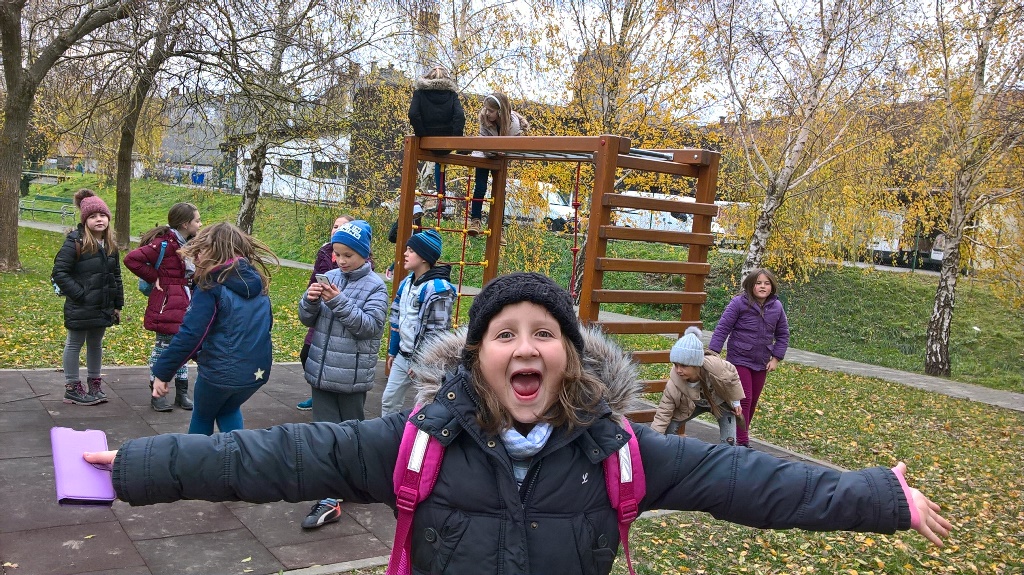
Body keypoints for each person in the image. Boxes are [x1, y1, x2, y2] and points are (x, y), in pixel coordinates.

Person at [86, 272, 951, 575]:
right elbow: (274, 456)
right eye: (506, 333)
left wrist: (878, 496)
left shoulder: (620, 456)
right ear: (478, 357)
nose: (526, 346)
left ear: (569, 358)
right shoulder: (414, 446)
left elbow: (750, 481)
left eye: (546, 333)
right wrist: (133, 466)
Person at [297, 219, 388, 529]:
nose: (340, 261)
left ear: (364, 254)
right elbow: (307, 320)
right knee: (324, 434)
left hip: (351, 378)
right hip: (322, 373)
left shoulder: (376, 286)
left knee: (351, 436)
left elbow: (368, 327)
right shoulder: (331, 276)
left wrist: (337, 300)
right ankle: (329, 493)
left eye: (348, 255)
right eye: (337, 254)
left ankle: (355, 481)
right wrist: (309, 301)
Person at [149, 222, 276, 435]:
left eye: (200, 251)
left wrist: (163, 372)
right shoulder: (258, 283)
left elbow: (191, 334)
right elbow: (265, 325)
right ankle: (239, 453)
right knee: (228, 410)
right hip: (256, 372)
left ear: (213, 252)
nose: (196, 258)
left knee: (203, 415)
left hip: (220, 373)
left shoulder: (211, 286)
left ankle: (196, 457)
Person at [123, 202, 202, 412]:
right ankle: (157, 393)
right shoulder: (164, 244)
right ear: (185, 224)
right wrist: (154, 277)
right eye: (197, 220)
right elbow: (131, 259)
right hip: (167, 304)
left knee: (182, 346)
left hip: (186, 302)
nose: (200, 224)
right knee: (162, 348)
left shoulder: (191, 244)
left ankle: (182, 393)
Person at [51, 189, 123, 405]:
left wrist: (117, 304)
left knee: (95, 343)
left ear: (108, 218)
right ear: (85, 221)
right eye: (92, 216)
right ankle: (72, 387)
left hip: (103, 305)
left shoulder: (110, 245)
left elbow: (116, 277)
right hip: (81, 305)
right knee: (74, 343)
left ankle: (94, 383)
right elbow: (59, 272)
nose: (99, 219)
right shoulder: (76, 241)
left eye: (102, 215)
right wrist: (80, 294)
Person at [710, 268, 790, 447]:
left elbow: (783, 334)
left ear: (772, 286)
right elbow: (723, 328)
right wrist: (713, 353)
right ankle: (742, 442)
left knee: (752, 401)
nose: (762, 286)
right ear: (750, 285)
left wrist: (776, 358)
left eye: (766, 283)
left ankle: (740, 433)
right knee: (744, 399)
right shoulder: (739, 303)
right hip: (739, 359)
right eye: (758, 283)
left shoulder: (776, 307)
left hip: (761, 361)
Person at [381, 229, 455, 415]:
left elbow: (437, 333)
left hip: (425, 360)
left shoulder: (438, 290)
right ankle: (389, 432)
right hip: (403, 356)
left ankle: (420, 433)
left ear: (424, 257)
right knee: (389, 400)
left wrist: (422, 362)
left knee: (427, 406)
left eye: (411, 251)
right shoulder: (406, 283)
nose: (405, 254)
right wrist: (393, 350)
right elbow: (396, 319)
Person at [296, 214, 354, 411]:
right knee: (307, 354)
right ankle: (318, 394)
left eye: (342, 227)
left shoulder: (356, 260)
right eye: (335, 226)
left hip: (339, 313)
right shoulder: (324, 252)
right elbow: (316, 276)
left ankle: (329, 397)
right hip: (321, 309)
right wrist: (309, 296)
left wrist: (335, 298)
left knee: (335, 359)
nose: (336, 230)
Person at [651, 327, 744, 443]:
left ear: (696, 364)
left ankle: (727, 453)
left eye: (683, 365)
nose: (678, 370)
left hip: (720, 402)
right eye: (675, 365)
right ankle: (672, 449)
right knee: (668, 428)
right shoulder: (674, 383)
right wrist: (653, 439)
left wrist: (736, 401)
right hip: (693, 404)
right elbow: (663, 412)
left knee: (729, 441)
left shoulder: (716, 367)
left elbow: (732, 374)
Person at [469, 92, 528, 236]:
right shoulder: (484, 119)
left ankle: (499, 227)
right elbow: (483, 141)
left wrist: (503, 152)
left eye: (491, 110)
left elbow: (513, 146)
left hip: (501, 157)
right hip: (485, 154)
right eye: (486, 109)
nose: (487, 113)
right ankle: (475, 220)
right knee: (480, 186)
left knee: (500, 189)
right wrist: (492, 150)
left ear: (500, 112)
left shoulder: (513, 126)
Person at [408, 65, 465, 199]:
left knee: (424, 163)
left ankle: (432, 195)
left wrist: (422, 134)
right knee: (441, 163)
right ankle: (441, 194)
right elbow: (459, 116)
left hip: (427, 140)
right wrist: (456, 140)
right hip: (446, 141)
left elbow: (413, 114)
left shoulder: (420, 93)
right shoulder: (451, 95)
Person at [385, 202, 424, 281]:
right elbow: (392, 234)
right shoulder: (404, 219)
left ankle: (413, 274)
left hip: (412, 242)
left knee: (414, 257)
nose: (416, 216)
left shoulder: (417, 221)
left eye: (418, 215)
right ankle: (391, 269)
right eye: (416, 214)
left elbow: (419, 232)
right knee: (403, 255)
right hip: (404, 241)